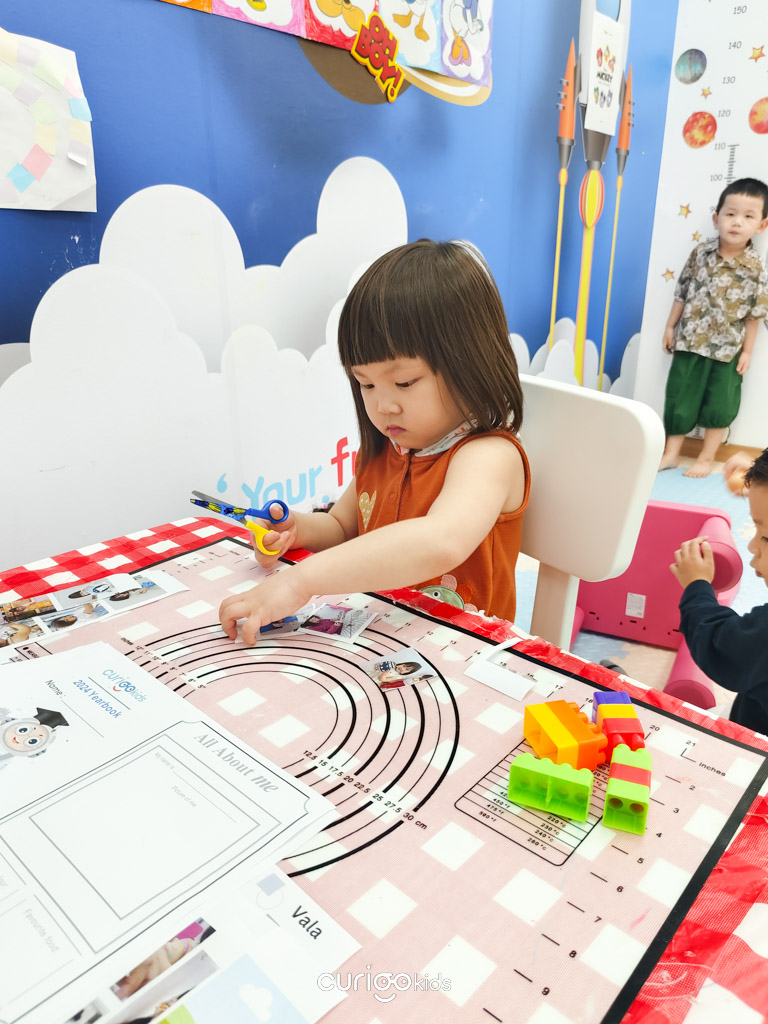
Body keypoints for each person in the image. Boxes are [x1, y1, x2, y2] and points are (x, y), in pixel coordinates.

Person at [219, 239, 529, 644]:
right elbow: (342, 526)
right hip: (384, 639)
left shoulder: (489, 456)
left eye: (405, 383)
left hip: (464, 653)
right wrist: (297, 530)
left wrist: (301, 580)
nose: (383, 406)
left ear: (470, 362)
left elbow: (440, 541)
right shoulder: (385, 451)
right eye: (365, 384)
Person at [659, 178, 768, 478]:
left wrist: (747, 352)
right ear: (716, 218)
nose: (737, 222)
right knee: (679, 398)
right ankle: (671, 453)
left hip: (728, 349)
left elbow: (755, 314)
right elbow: (681, 293)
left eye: (748, 216)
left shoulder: (755, 266)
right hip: (690, 341)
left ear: (761, 225)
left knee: (720, 405)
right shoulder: (700, 253)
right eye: (730, 214)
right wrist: (670, 327)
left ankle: (707, 458)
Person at [669, 447, 768, 734]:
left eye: (765, 536)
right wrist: (757, 474)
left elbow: (718, 643)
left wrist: (697, 586)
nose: (751, 545)